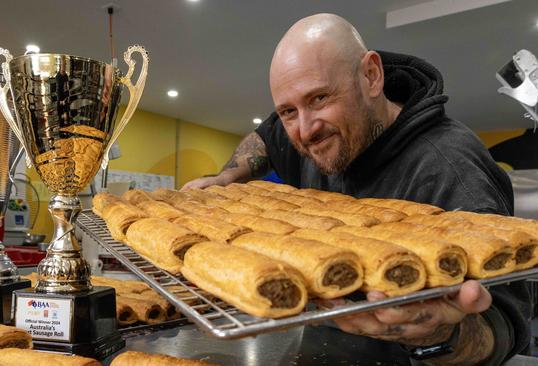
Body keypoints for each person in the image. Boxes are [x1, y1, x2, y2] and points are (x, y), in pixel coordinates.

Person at [183, 13, 530, 365]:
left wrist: (439, 335)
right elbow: (268, 137)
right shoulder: (312, 135)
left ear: (371, 76)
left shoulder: (449, 165)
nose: (304, 131)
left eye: (319, 98)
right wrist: (226, 177)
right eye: (289, 110)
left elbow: (504, 325)